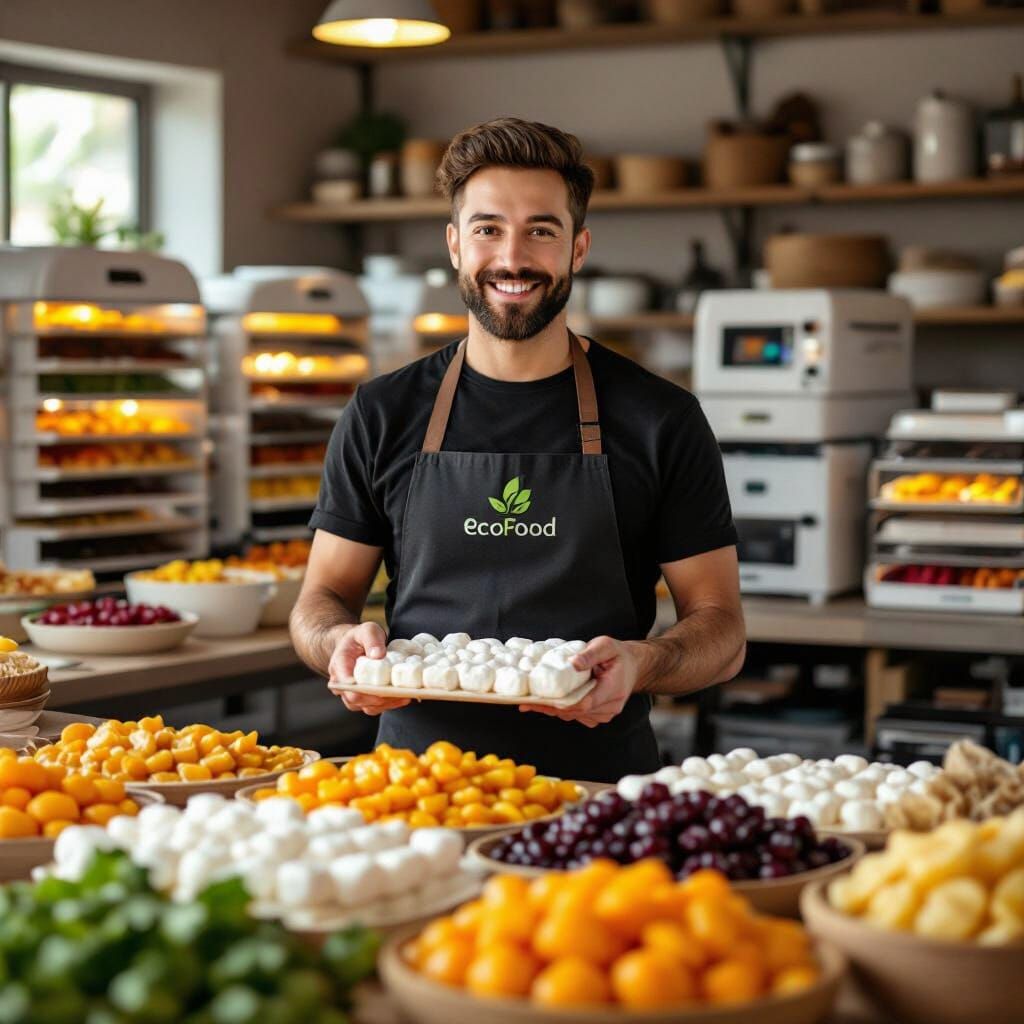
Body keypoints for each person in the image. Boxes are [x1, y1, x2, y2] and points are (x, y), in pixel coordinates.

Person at [290, 117, 745, 782]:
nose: (512, 257)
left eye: (541, 229)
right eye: (487, 229)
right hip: (415, 787)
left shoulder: (661, 419)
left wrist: (642, 663)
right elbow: (321, 598)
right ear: (453, 245)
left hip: (593, 790)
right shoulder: (383, 413)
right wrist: (339, 643)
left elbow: (722, 629)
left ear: (578, 248)